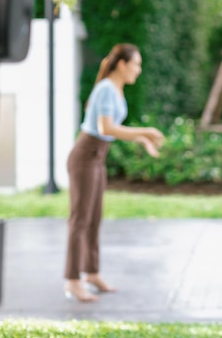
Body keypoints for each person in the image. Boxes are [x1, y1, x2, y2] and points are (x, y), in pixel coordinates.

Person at [64, 43, 165, 302]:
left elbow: (113, 130)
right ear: (122, 64)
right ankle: (73, 280)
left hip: (98, 156)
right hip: (86, 155)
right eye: (136, 64)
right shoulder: (107, 88)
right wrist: (145, 132)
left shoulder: (115, 89)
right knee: (80, 220)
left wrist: (143, 141)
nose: (138, 70)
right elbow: (106, 128)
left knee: (94, 217)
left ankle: (92, 273)